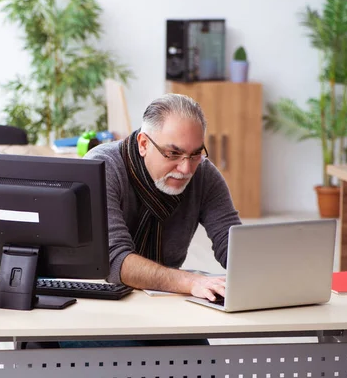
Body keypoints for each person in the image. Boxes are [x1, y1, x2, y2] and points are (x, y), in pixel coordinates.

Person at [83, 93, 241, 301]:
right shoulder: (102, 169)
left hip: (165, 298)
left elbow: (232, 243)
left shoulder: (203, 174)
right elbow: (114, 261)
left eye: (195, 154)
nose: (186, 169)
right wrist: (191, 281)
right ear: (143, 144)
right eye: (173, 154)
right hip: (100, 299)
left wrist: (266, 267)